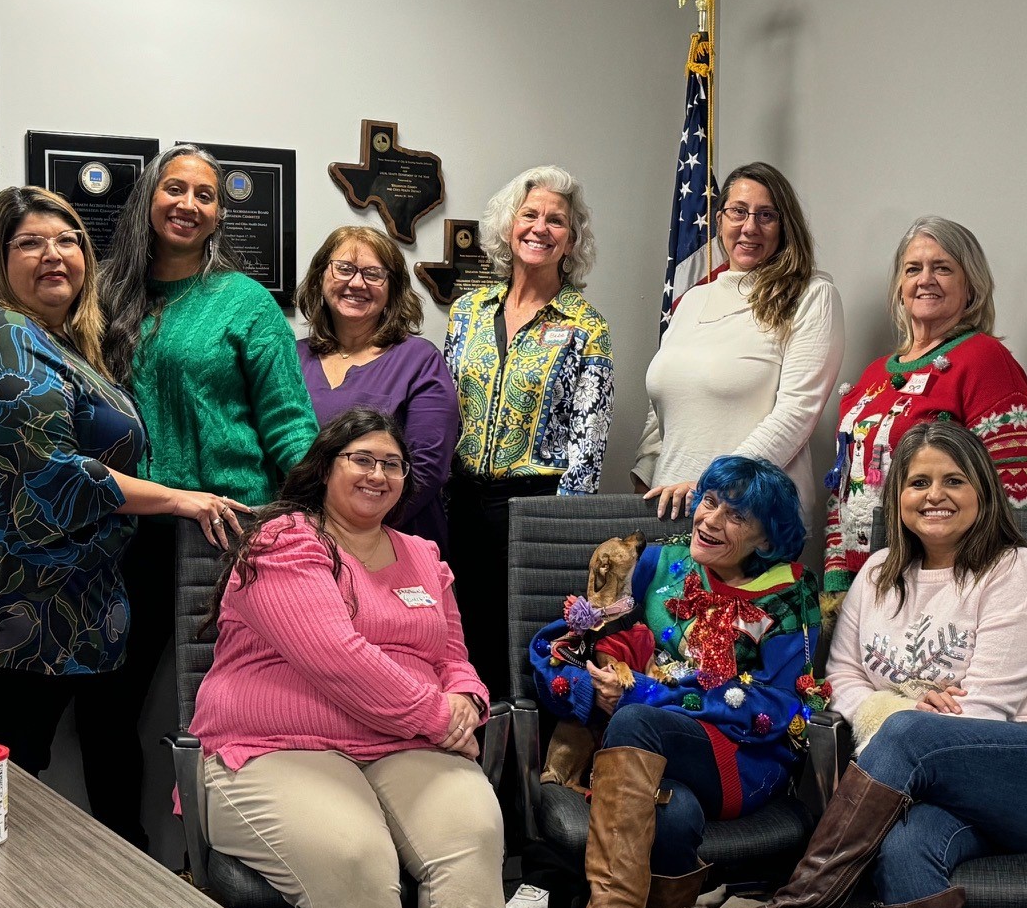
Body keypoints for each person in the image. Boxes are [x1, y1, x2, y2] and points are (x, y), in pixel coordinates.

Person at [0, 186, 242, 793]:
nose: (53, 254)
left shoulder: (59, 344)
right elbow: (54, 472)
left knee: (2, 789)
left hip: (35, 612)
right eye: (30, 243)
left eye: (68, 241)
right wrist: (179, 498)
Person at [683, 421, 1027, 908]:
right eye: (918, 482)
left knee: (907, 731)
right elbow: (840, 680)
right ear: (898, 497)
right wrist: (896, 708)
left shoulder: (1018, 570)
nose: (934, 495)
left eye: (953, 481)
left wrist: (910, 723)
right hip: (946, 785)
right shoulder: (879, 573)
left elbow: (987, 712)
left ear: (984, 491)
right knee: (904, 850)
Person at [191, 407, 510, 908]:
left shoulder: (423, 554)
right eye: (361, 459)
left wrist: (466, 698)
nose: (377, 474)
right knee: (356, 857)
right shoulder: (282, 541)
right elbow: (338, 658)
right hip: (280, 748)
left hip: (407, 745)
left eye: (392, 464)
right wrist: (441, 718)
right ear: (324, 468)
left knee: (472, 838)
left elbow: (452, 653)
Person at [89, 144, 320, 849]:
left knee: (235, 705)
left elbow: (287, 419)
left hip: (228, 532)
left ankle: (239, 860)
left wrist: (320, 519)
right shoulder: (103, 297)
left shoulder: (245, 301)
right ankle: (121, 854)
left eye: (206, 194)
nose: (189, 204)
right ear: (148, 200)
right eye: (176, 189)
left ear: (220, 212)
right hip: (128, 530)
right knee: (106, 704)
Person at [528, 455, 824, 908]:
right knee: (675, 814)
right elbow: (575, 640)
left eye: (736, 516)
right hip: (639, 759)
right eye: (709, 502)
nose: (710, 520)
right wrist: (588, 690)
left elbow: (774, 708)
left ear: (767, 540)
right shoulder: (658, 565)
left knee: (641, 718)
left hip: (737, 758)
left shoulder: (788, 594)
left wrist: (648, 694)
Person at [444, 164, 613, 699]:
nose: (540, 228)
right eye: (530, 214)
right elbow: (444, 409)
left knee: (517, 655)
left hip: (533, 507)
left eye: (556, 220)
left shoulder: (587, 326)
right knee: (455, 643)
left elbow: (589, 442)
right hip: (459, 504)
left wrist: (557, 532)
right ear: (508, 225)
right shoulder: (468, 312)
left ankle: (512, 776)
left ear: (572, 238)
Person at [822, 215, 1027, 611]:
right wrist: (837, 579)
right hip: (864, 587)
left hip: (948, 584)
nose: (925, 279)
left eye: (942, 268)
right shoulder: (872, 376)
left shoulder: (987, 361)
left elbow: (1013, 498)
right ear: (900, 288)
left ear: (970, 284)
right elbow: (842, 492)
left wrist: (974, 587)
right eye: (913, 269)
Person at [634, 162, 844, 524]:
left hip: (751, 518)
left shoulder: (811, 295)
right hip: (670, 511)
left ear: (785, 225)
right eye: (738, 212)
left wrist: (711, 486)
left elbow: (796, 413)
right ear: (719, 221)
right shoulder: (693, 300)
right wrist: (645, 472)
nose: (750, 227)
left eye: (766, 215)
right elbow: (662, 404)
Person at [294, 225, 458, 553]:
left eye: (373, 273)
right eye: (344, 268)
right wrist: (307, 534)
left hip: (395, 544)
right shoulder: (290, 358)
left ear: (392, 289)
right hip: (304, 543)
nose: (357, 283)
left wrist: (350, 535)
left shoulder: (419, 360)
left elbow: (426, 468)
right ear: (320, 277)